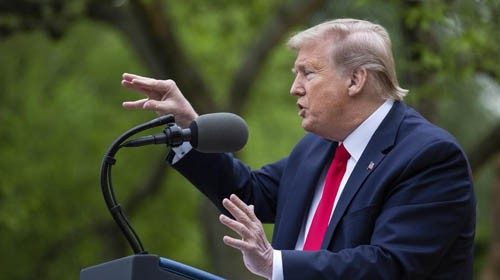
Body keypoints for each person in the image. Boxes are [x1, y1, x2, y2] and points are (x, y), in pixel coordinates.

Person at [121, 18, 475, 279]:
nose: (295, 88)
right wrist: (189, 127)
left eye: (308, 73)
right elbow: (250, 193)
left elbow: (390, 266)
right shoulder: (316, 149)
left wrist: (274, 262)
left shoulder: (429, 157)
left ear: (355, 79)